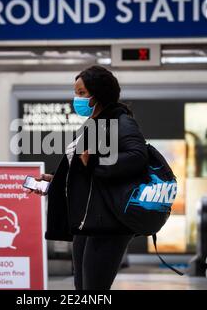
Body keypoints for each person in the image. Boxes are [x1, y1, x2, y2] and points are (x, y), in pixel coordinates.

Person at [28, 65, 148, 290]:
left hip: (108, 221)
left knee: (93, 290)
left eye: (82, 93)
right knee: (83, 288)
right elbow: (82, 170)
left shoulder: (121, 121)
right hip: (88, 219)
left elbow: (137, 157)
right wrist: (54, 180)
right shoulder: (91, 126)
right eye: (76, 92)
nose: (76, 98)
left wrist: (94, 163)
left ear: (98, 93)